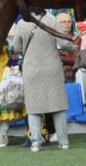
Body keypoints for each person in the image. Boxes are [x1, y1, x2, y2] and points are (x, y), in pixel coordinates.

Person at [9, 13, 70, 151]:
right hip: (52, 69)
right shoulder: (52, 21)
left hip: (31, 69)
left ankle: (35, 142)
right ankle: (63, 142)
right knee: (58, 106)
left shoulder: (22, 23)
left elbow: (17, 48)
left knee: (33, 108)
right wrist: (75, 47)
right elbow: (64, 43)